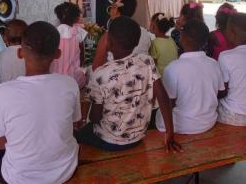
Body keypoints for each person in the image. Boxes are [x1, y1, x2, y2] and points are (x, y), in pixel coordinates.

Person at [0, 22, 81, 184]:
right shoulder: (70, 84)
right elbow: (76, 124)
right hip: (65, 171)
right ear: (57, 54)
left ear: (20, 53)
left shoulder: (2, 92)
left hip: (19, 178)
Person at [78, 16, 181, 151]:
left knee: (76, 135)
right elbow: (162, 96)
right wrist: (170, 133)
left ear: (108, 42)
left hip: (109, 141)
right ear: (137, 41)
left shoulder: (100, 74)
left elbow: (95, 117)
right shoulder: (147, 61)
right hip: (138, 137)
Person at [156, 19, 226, 134]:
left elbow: (169, 103)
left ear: (182, 38)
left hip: (181, 126)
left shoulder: (173, 68)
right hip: (208, 122)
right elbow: (220, 92)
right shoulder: (214, 64)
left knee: (158, 114)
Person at [92, 0, 152, 70]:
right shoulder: (145, 33)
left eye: (112, 6)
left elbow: (96, 68)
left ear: (115, 9)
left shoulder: (108, 36)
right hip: (140, 77)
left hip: (114, 79)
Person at [51, 2, 87, 88]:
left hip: (55, 78)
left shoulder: (53, 32)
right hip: (73, 79)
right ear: (76, 18)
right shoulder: (78, 32)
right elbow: (82, 56)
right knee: (86, 73)